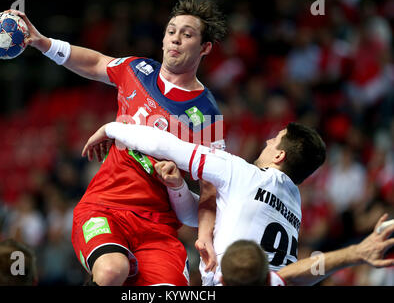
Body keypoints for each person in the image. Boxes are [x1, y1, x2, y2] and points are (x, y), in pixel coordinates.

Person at [8, 0, 227, 286]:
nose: (175, 39)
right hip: (105, 208)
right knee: (112, 270)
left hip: (158, 229)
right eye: (171, 31)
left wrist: (204, 239)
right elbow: (97, 62)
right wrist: (43, 42)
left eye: (187, 35)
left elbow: (212, 189)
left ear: (205, 47)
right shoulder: (138, 70)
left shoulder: (207, 116)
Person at [81, 120, 327, 285]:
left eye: (274, 140)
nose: (267, 142)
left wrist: (111, 128)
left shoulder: (243, 174)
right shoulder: (294, 203)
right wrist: (178, 187)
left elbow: (163, 145)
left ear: (279, 155)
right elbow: (199, 217)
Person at [220, 214, 394, 286]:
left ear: (222, 280)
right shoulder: (271, 280)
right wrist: (357, 252)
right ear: (267, 277)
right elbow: (292, 272)